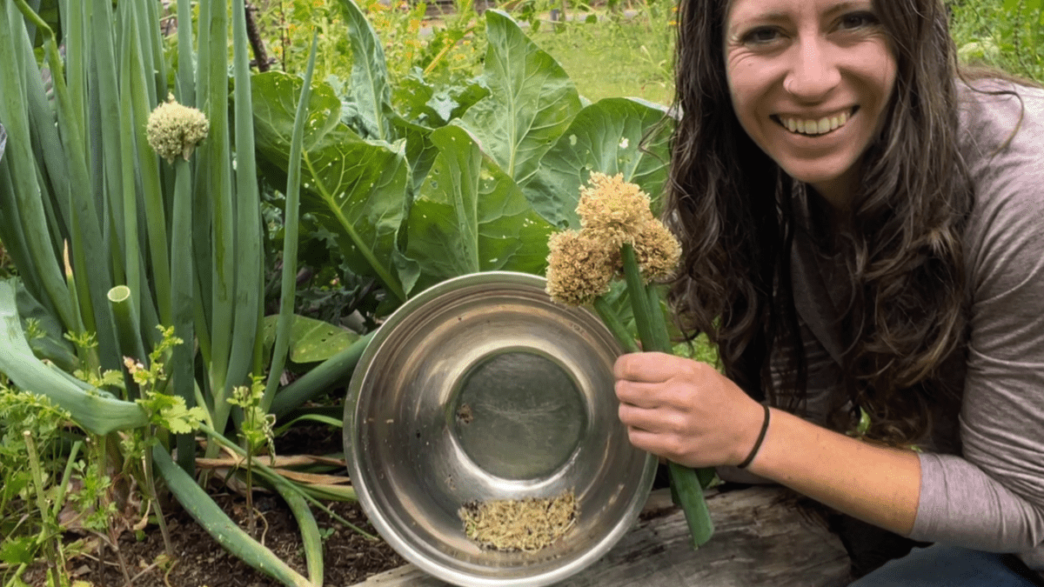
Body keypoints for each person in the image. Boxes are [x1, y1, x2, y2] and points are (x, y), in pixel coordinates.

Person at [612, 0, 1044, 584]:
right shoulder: (792, 187)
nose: (811, 81)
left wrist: (748, 431)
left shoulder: (1024, 196)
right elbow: (803, 429)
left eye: (854, 20)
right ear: (714, 60)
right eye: (765, 33)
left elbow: (1024, 508)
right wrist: (669, 420)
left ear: (910, 33)